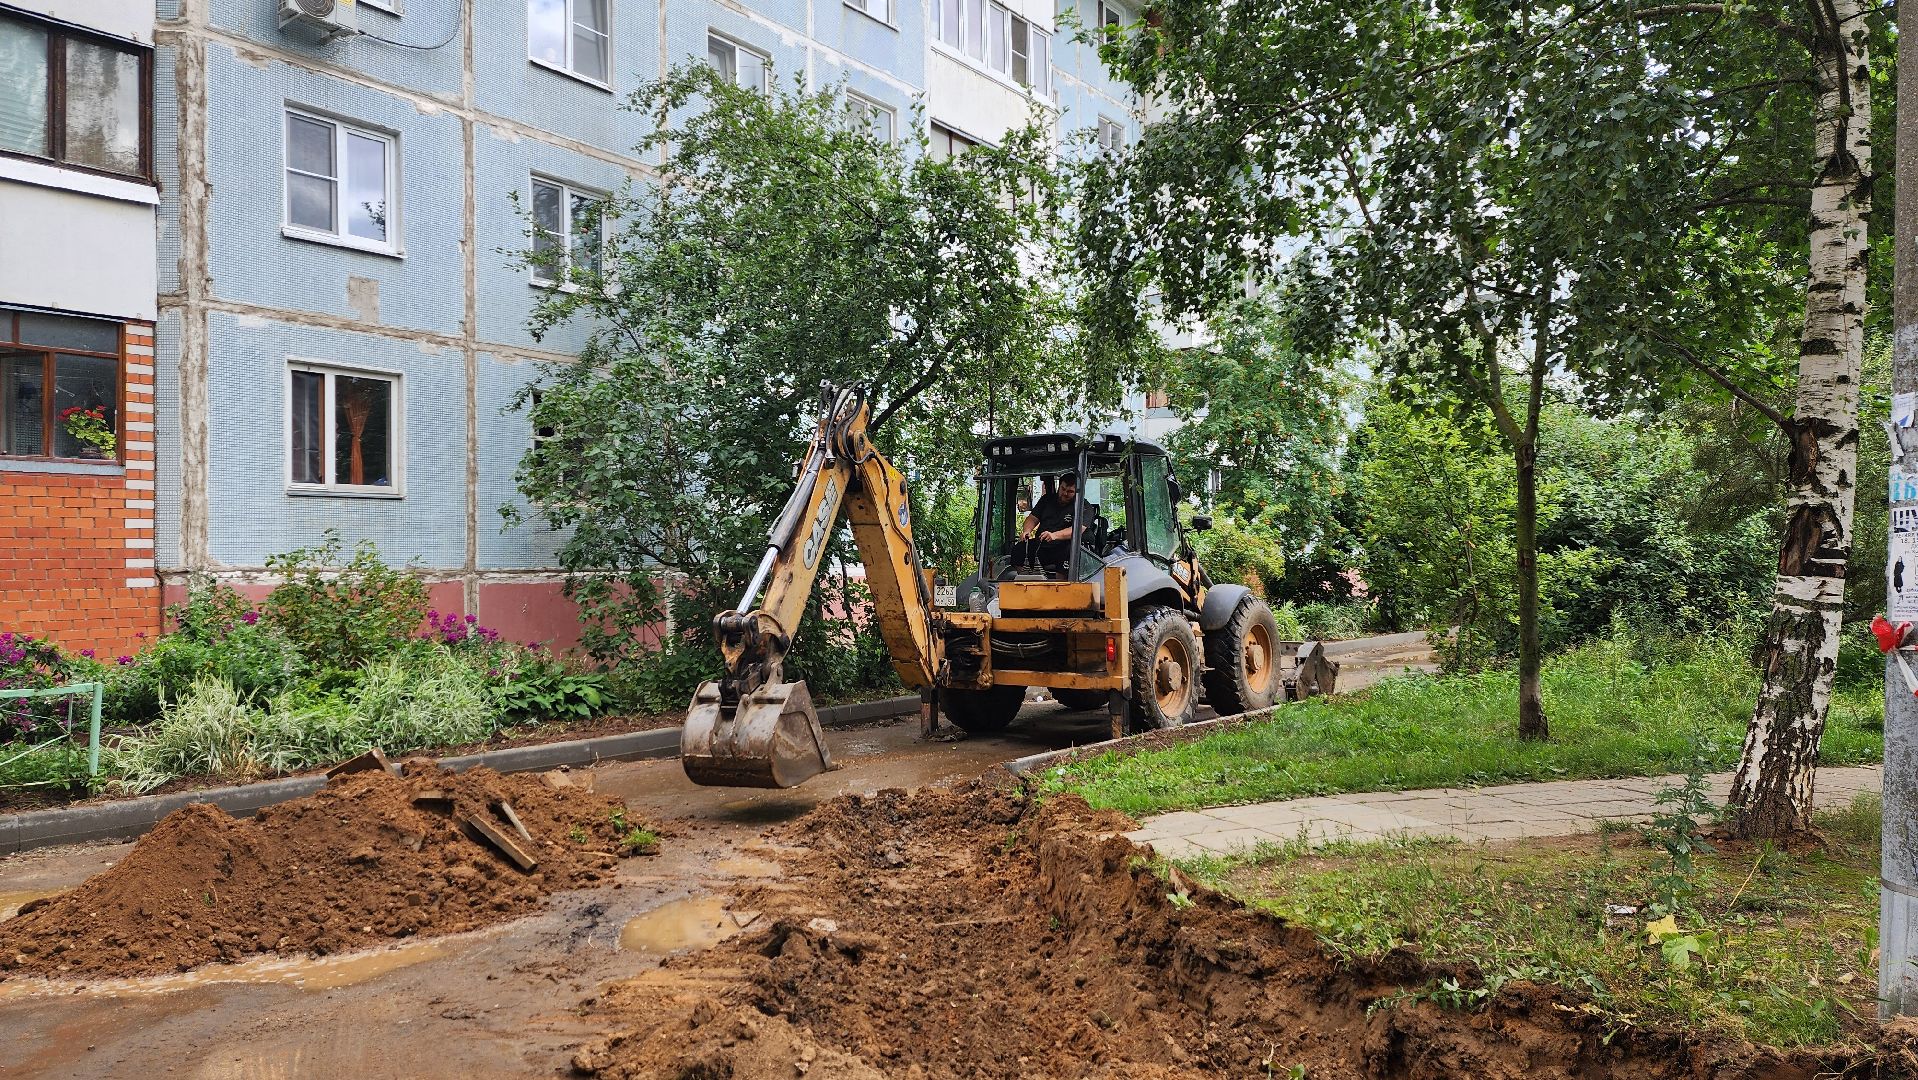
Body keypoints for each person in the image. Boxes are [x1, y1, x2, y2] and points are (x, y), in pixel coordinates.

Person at [1012, 472, 1084, 572]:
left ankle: (1061, 584)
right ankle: (1026, 580)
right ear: (1059, 486)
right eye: (1063, 489)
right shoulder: (1046, 500)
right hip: (1042, 545)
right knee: (1019, 549)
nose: (1065, 493)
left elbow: (1079, 529)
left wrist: (1054, 535)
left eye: (1070, 491)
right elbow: (1032, 518)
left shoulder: (1083, 506)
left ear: (1077, 491)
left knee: (1070, 551)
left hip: (1063, 547)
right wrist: (1026, 531)